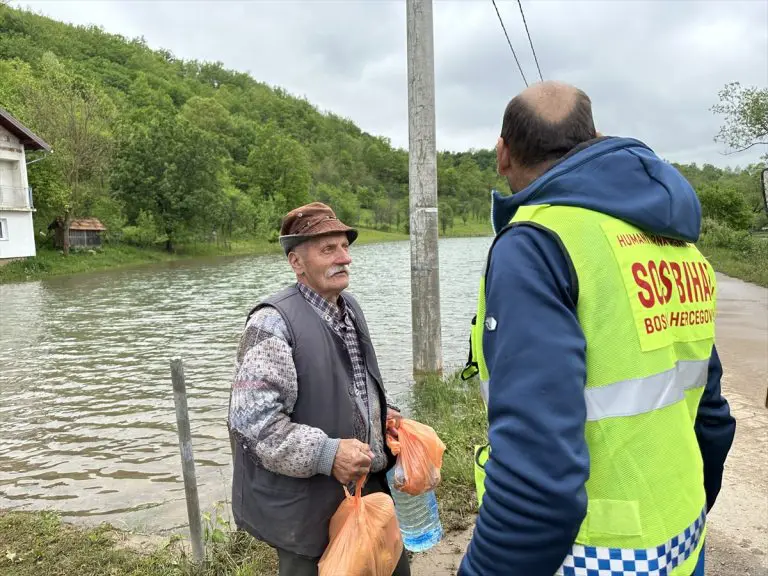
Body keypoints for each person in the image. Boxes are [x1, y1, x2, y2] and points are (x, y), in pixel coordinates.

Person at [459, 81, 736, 576]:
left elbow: (538, 475)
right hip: (682, 543)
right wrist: (689, 508)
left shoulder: (537, 243)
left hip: (591, 556)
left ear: (502, 155)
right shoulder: (677, 247)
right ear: (596, 138)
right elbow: (711, 416)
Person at [227, 202, 410, 576]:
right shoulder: (272, 323)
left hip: (367, 493)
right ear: (297, 263)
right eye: (329, 249)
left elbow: (353, 385)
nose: (344, 258)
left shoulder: (349, 307)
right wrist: (327, 453)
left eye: (345, 247)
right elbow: (253, 424)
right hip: (307, 512)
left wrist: (381, 416)